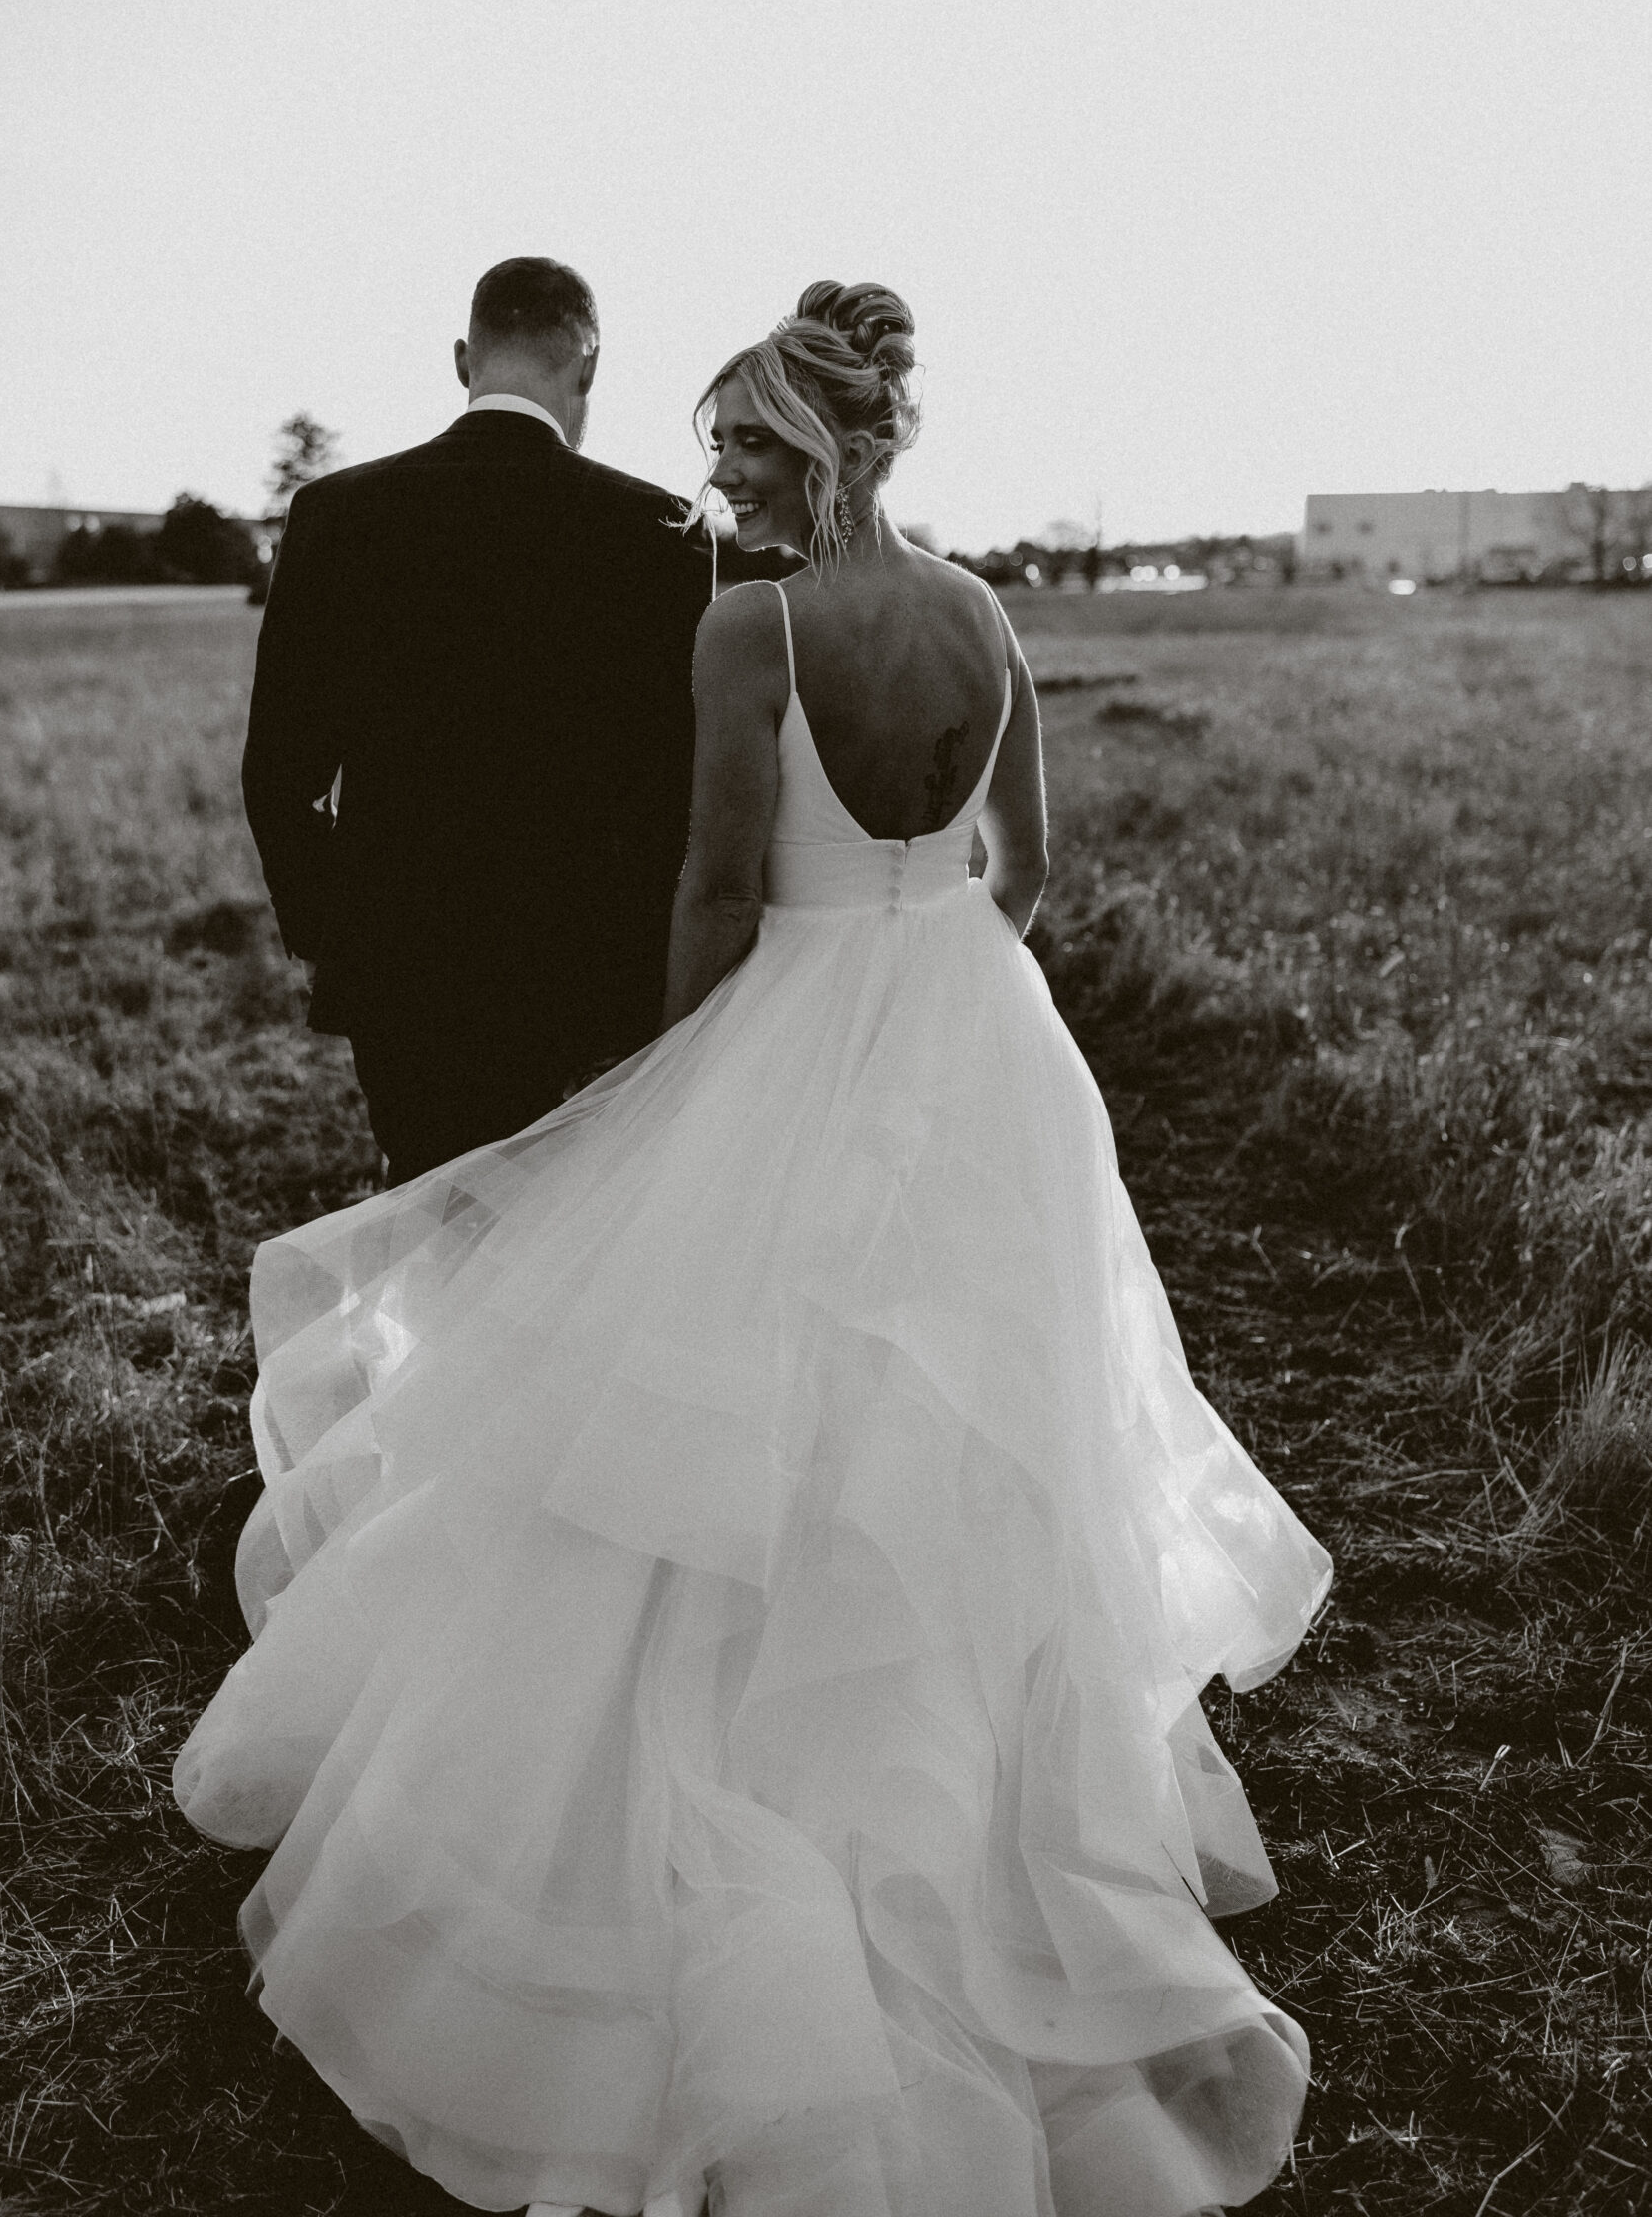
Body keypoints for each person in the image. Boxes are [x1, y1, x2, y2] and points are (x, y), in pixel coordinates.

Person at [178, 281, 1331, 2217]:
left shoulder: (753, 622)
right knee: (942, 1393)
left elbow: (718, 872)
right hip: (971, 1034)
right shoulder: (980, 616)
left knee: (715, 1389)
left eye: (741, 448)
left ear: (810, 448)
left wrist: (701, 1061)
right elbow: (1021, 869)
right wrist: (921, 967)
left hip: (787, 1006)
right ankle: (966, 1762)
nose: (713, 480)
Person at [241, 256, 713, 1183]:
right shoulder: (660, 533)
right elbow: (672, 783)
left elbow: (278, 771)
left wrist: (334, 929)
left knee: (429, 1219)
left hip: (399, 963)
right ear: (588, 370)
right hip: (589, 969)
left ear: (464, 359)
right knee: (566, 1243)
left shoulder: (337, 514)